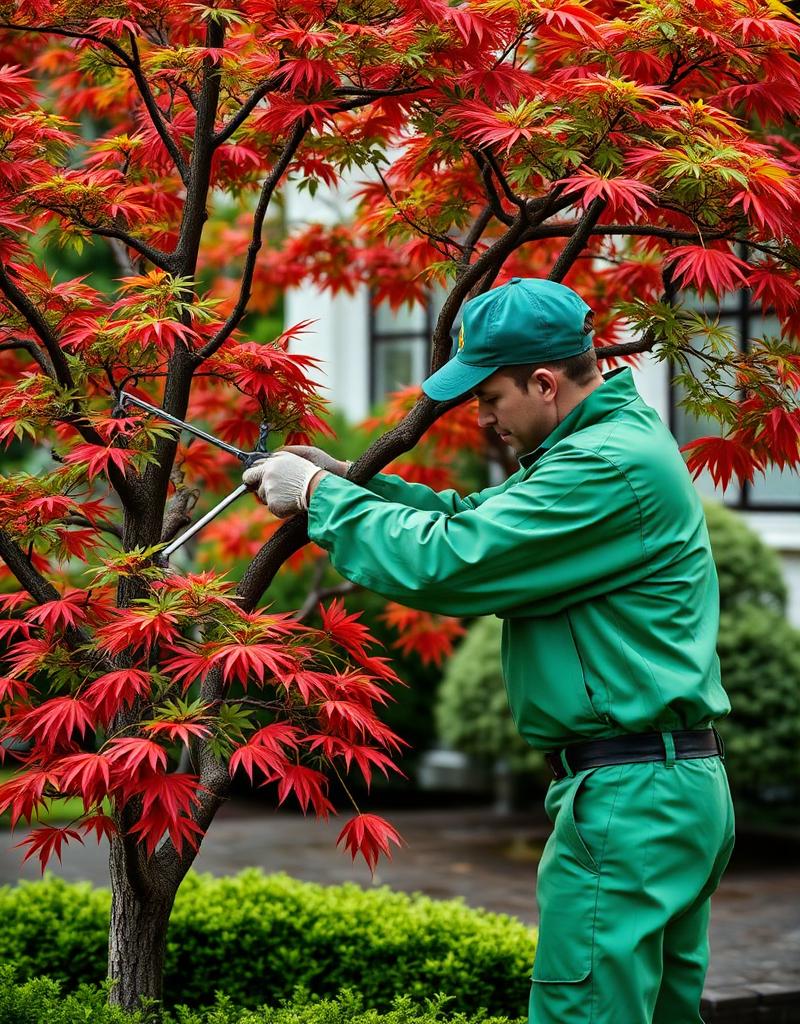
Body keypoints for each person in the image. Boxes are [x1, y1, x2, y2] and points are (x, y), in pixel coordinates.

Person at [242, 276, 735, 1024]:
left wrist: (319, 498)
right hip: (663, 789)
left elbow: (455, 560)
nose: (482, 415)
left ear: (543, 382)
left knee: (586, 1014)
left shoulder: (602, 466)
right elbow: (480, 518)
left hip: (632, 799)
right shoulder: (607, 443)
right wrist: (348, 482)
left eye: (490, 396)